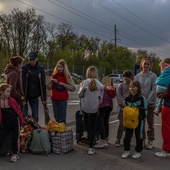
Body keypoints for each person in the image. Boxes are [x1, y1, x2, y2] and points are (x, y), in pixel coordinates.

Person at [78, 66, 104, 155]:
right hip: (94, 108)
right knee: (93, 127)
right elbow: (101, 99)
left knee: (85, 116)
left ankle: (85, 131)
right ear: (96, 73)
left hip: (86, 107)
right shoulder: (100, 85)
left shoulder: (84, 83)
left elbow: (79, 95)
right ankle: (91, 148)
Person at [134, 56, 157, 149]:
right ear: (141, 65)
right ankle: (142, 139)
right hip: (139, 104)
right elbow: (135, 89)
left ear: (150, 65)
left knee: (150, 123)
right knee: (141, 123)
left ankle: (150, 141)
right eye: (145, 64)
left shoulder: (153, 76)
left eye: (148, 64)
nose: (146, 65)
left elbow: (154, 89)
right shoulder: (137, 76)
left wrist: (146, 102)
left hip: (149, 104)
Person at [121, 80, 147, 159]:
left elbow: (145, 111)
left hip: (139, 120)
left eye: (134, 87)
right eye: (130, 87)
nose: (132, 88)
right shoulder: (127, 98)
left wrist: (140, 117)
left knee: (138, 135)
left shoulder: (142, 98)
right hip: (129, 121)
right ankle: (126, 150)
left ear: (138, 88)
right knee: (127, 136)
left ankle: (138, 151)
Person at [0, 83, 25, 162]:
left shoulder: (11, 100)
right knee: (2, 136)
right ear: (2, 92)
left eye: (9, 91)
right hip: (5, 122)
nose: (9, 93)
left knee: (15, 137)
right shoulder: (0, 101)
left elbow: (18, 110)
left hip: (14, 120)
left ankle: (15, 154)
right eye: (7, 91)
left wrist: (22, 120)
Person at [22, 52, 47, 122]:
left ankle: (34, 129)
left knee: (35, 115)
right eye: (30, 60)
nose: (31, 61)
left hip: (35, 95)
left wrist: (44, 99)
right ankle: (26, 130)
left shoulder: (40, 69)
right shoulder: (25, 67)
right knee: (25, 115)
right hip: (26, 94)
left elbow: (43, 84)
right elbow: (23, 83)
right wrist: (23, 97)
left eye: (33, 60)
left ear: (37, 59)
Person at [49, 59, 74, 124]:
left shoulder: (67, 76)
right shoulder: (54, 75)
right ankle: (58, 132)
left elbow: (73, 88)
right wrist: (51, 81)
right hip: (54, 98)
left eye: (61, 67)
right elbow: (48, 87)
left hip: (63, 99)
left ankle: (63, 132)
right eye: (58, 66)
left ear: (64, 67)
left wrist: (64, 84)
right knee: (56, 118)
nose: (59, 68)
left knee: (62, 118)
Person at [155, 59, 170, 158]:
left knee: (166, 128)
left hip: (168, 106)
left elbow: (165, 93)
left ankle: (166, 151)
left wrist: (161, 95)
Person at [94, 77, 116, 148]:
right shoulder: (108, 88)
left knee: (100, 121)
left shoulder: (99, 86)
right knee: (105, 121)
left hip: (102, 105)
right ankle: (106, 137)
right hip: (109, 105)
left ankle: (102, 139)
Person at [114, 70, 134, 147]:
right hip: (123, 108)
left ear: (130, 77)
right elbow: (118, 96)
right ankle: (118, 139)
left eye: (127, 77)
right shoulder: (121, 85)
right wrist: (122, 104)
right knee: (121, 124)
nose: (125, 78)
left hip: (132, 108)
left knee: (131, 124)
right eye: (124, 76)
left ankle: (128, 139)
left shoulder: (133, 85)